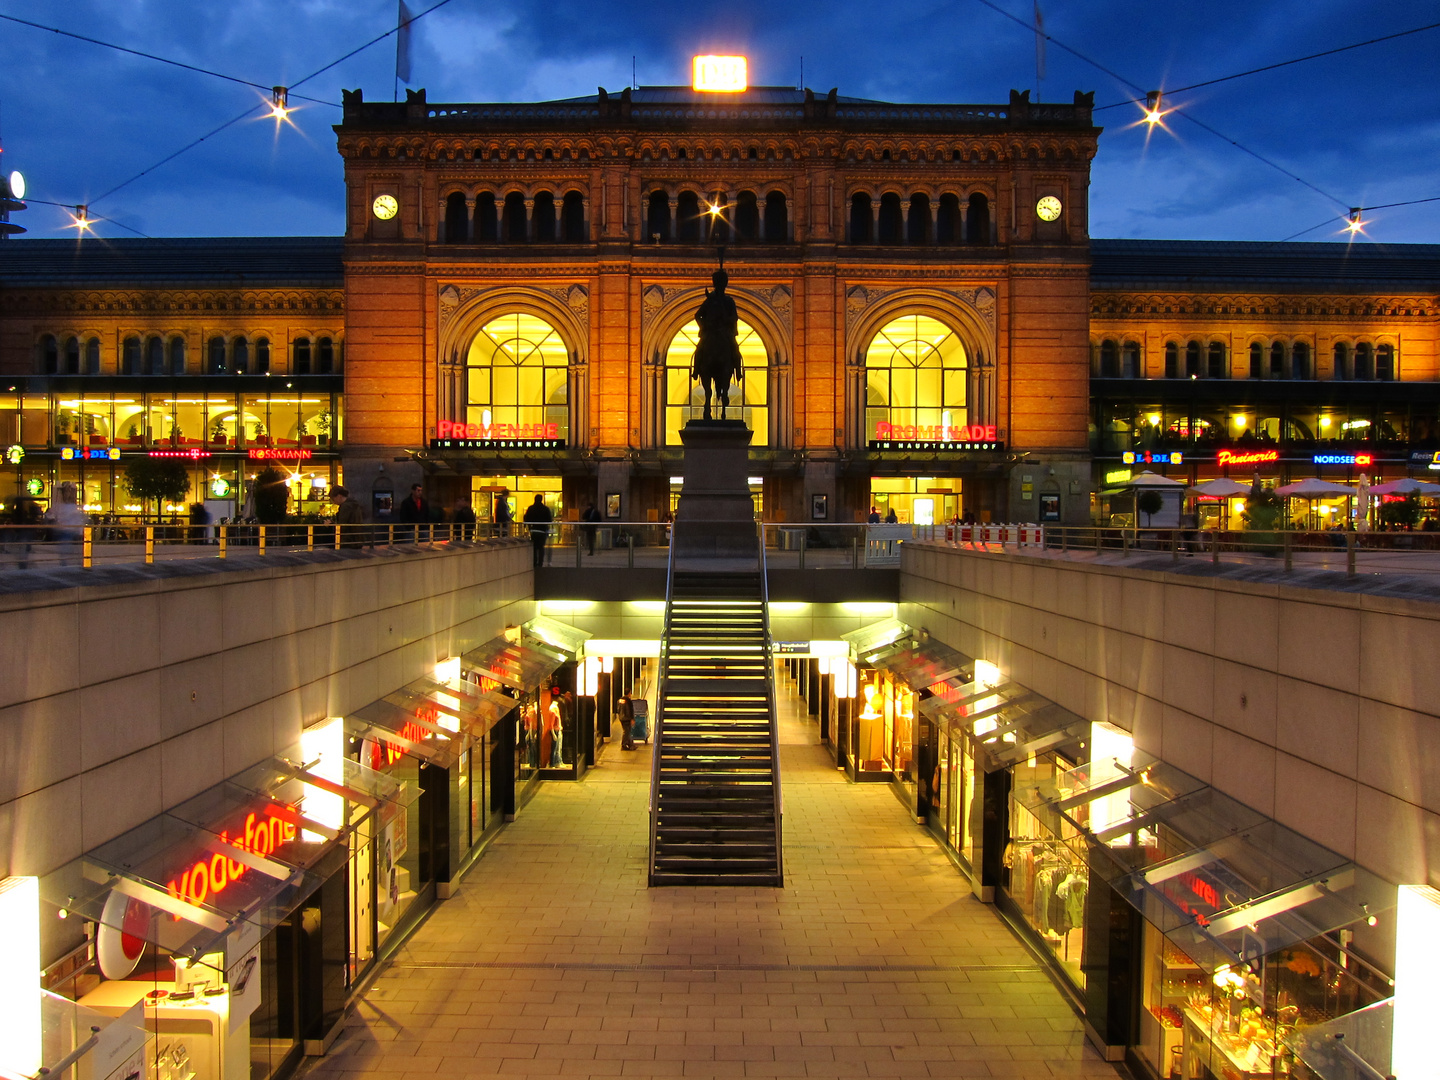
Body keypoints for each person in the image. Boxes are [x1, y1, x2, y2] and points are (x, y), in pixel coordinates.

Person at [45, 483, 86, 566]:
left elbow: (50, 515)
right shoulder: (66, 507)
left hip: (67, 531)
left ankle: (66, 563)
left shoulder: (67, 507)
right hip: (66, 531)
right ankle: (67, 563)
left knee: (66, 549)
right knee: (67, 549)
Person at [522, 493, 552, 568]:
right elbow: (549, 520)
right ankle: (540, 563)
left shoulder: (531, 508)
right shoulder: (545, 509)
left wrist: (528, 527)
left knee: (534, 547)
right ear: (541, 499)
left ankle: (534, 562)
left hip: (533, 530)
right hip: (542, 530)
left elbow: (526, 518)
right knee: (541, 547)